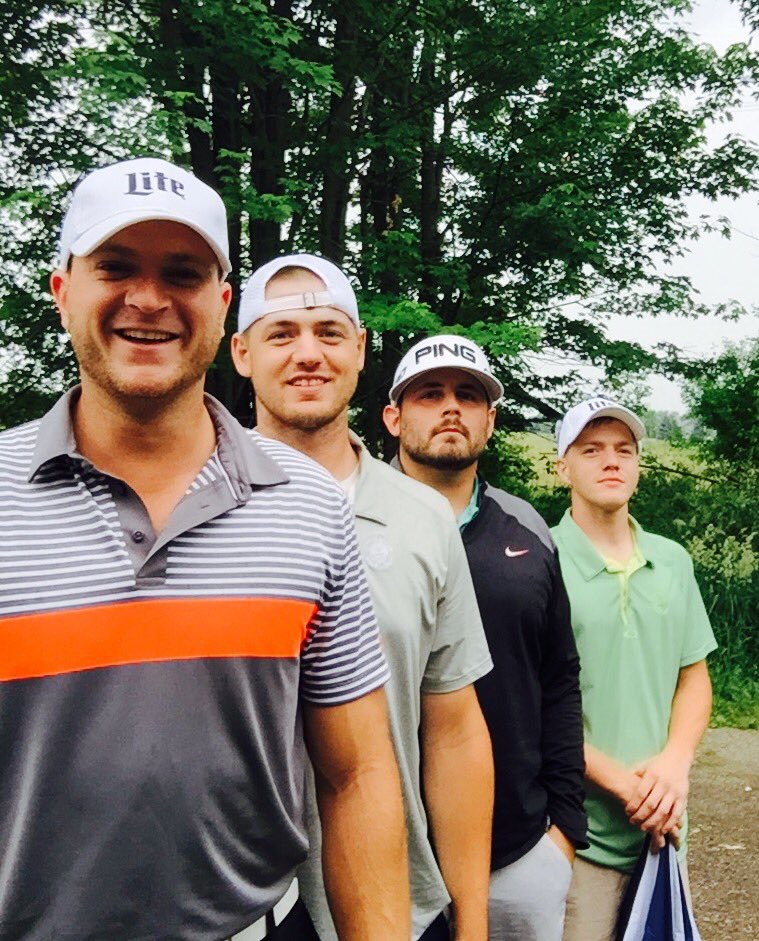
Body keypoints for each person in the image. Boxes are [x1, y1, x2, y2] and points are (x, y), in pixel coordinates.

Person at [0, 158, 410, 941]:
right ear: (62, 293)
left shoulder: (308, 505)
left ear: (221, 308)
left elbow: (357, 774)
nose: (148, 299)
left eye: (182, 273)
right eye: (116, 266)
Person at [230, 256, 495, 941]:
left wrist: (469, 919)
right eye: (281, 332)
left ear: (358, 350)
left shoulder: (424, 515)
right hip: (246, 910)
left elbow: (455, 728)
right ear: (240, 352)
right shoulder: (197, 505)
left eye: (328, 331)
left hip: (398, 906)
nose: (308, 353)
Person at [383, 335, 588, 941]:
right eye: (430, 394)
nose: (451, 408)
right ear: (393, 417)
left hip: (520, 851)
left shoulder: (527, 530)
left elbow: (560, 677)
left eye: (468, 396)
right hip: (385, 854)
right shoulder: (351, 520)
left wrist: (565, 830)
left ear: (490, 422)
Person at [550, 396, 717, 941]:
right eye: (592, 449)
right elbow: (530, 708)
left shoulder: (673, 560)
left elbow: (693, 675)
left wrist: (674, 765)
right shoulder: (540, 561)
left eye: (624, 450)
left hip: (663, 829)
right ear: (562, 467)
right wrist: (625, 785)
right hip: (581, 836)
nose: (611, 461)